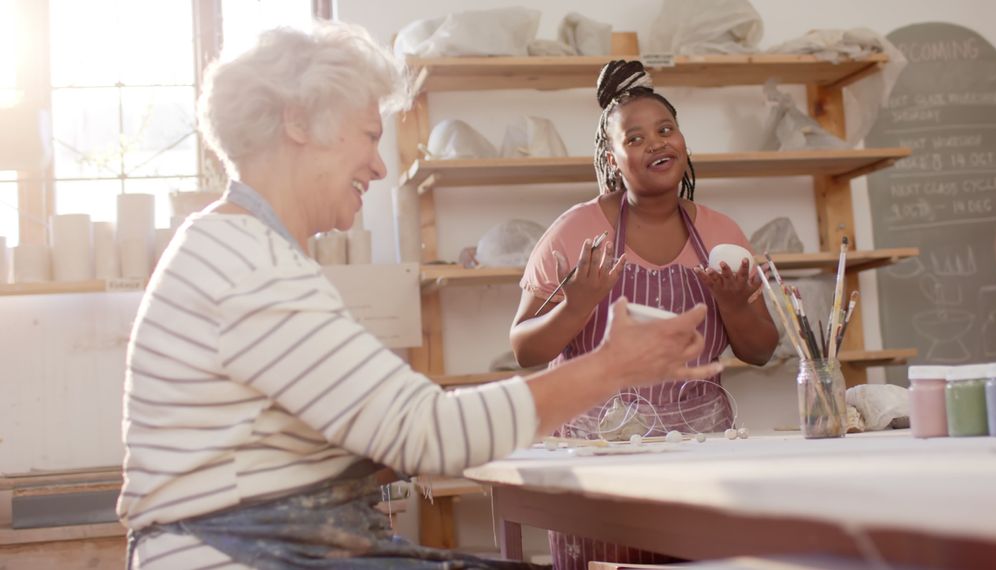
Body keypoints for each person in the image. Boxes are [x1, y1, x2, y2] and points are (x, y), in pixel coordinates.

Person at [117, 25, 721, 570]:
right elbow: (425, 431)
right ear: (298, 122)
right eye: (368, 136)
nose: (379, 168)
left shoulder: (236, 248)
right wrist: (611, 368)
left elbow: (356, 430)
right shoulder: (245, 263)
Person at [510, 60, 779, 570]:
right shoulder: (574, 232)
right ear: (611, 160)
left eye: (665, 130)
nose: (655, 143)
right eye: (634, 138)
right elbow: (526, 348)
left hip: (700, 455)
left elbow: (761, 351)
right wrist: (577, 304)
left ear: (683, 143)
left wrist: (733, 305)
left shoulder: (722, 235)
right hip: (596, 460)